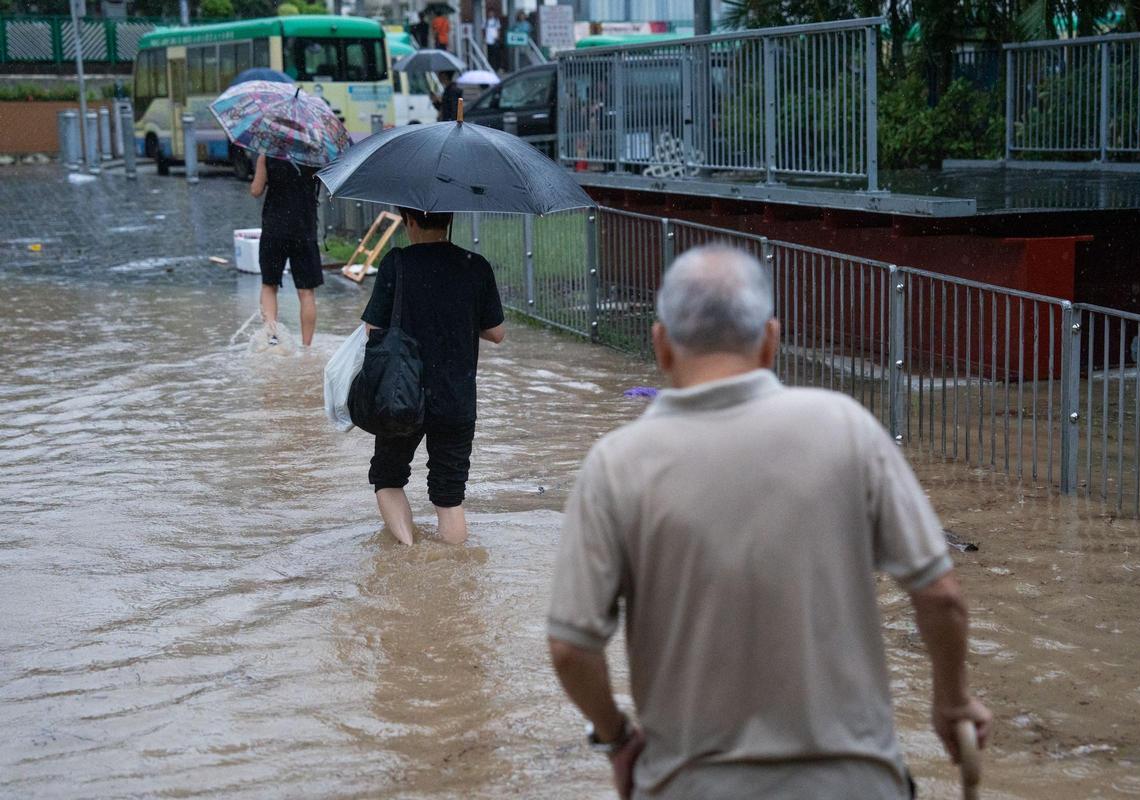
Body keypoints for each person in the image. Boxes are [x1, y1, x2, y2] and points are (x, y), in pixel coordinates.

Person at [547, 246, 992, 799]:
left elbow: (570, 648)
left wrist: (618, 739)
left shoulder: (615, 465)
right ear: (771, 339)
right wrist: (951, 699)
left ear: (661, 345)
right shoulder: (846, 428)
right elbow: (941, 596)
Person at [359, 208, 505, 545]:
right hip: (457, 399)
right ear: (450, 219)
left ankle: (409, 553)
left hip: (402, 396)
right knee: (449, 496)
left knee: (388, 477)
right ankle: (454, 573)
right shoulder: (476, 266)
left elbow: (373, 328)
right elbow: (497, 333)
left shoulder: (397, 263)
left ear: (409, 220)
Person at [248, 153, 322, 347]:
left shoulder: (268, 155)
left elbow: (256, 190)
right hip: (304, 230)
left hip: (274, 229)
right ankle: (307, 347)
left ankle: (271, 336)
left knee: (269, 285)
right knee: (306, 292)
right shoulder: (314, 156)